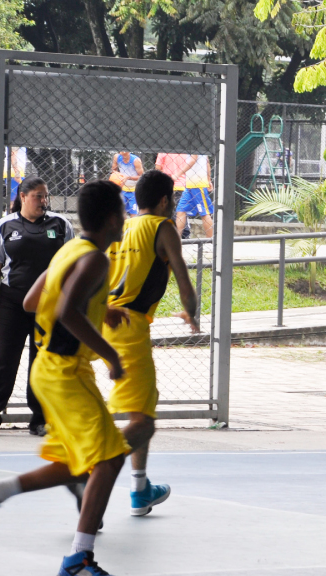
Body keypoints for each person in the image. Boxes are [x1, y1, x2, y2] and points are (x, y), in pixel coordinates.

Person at [0, 180, 132, 576]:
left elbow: (32, 300)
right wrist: (109, 354)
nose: (125, 218)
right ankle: (78, 560)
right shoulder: (95, 260)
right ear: (112, 219)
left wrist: (98, 305)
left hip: (52, 371)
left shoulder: (69, 250)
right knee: (109, 459)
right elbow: (66, 308)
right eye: (123, 212)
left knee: (75, 464)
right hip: (66, 372)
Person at [103, 170, 200, 516]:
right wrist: (193, 314)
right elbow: (185, 283)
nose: (172, 205)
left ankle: (140, 488)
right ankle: (89, 468)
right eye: (171, 199)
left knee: (140, 410)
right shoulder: (163, 228)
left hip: (109, 320)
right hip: (130, 326)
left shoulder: (125, 227)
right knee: (143, 422)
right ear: (163, 201)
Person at [0, 178, 75, 437]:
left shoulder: (61, 225)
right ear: (23, 196)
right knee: (4, 360)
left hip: (49, 304)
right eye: (38, 196)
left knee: (41, 362)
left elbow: (71, 266)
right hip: (12, 302)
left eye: (45, 196)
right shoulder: (5, 226)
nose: (43, 201)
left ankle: (40, 419)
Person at [175, 153, 214, 239]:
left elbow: (193, 160)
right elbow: (207, 162)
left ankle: (210, 242)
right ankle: (176, 241)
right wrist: (208, 180)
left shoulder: (195, 143)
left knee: (204, 213)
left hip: (198, 184)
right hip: (189, 185)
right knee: (180, 211)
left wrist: (177, 175)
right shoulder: (200, 145)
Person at [155, 152, 192, 234]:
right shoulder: (184, 152)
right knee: (181, 211)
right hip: (182, 185)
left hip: (167, 185)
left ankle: (169, 232)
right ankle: (185, 233)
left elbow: (158, 168)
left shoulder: (163, 151)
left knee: (167, 209)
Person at [112, 151, 143, 216]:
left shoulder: (135, 160)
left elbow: (141, 176)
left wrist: (128, 177)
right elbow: (113, 170)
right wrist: (118, 177)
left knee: (134, 214)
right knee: (120, 212)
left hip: (134, 190)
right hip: (122, 189)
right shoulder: (117, 157)